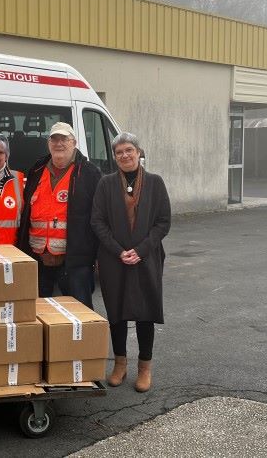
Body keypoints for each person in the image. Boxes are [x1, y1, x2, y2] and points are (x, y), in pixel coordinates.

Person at [90, 132, 170, 392]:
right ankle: (120, 364)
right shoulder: (106, 184)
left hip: (146, 258)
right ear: (114, 157)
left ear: (139, 152)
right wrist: (118, 250)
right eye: (119, 152)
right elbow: (97, 222)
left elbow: (163, 223)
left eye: (129, 150)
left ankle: (145, 367)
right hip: (114, 260)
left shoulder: (156, 183)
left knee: (146, 312)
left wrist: (142, 249)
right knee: (117, 313)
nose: (124, 155)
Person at [16, 122, 101, 308]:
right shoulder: (37, 170)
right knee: (37, 314)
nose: (59, 143)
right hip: (38, 260)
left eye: (64, 139)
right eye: (54, 139)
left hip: (74, 262)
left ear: (74, 142)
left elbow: (99, 219)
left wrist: (98, 256)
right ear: (48, 143)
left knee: (79, 314)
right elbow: (25, 213)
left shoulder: (89, 173)